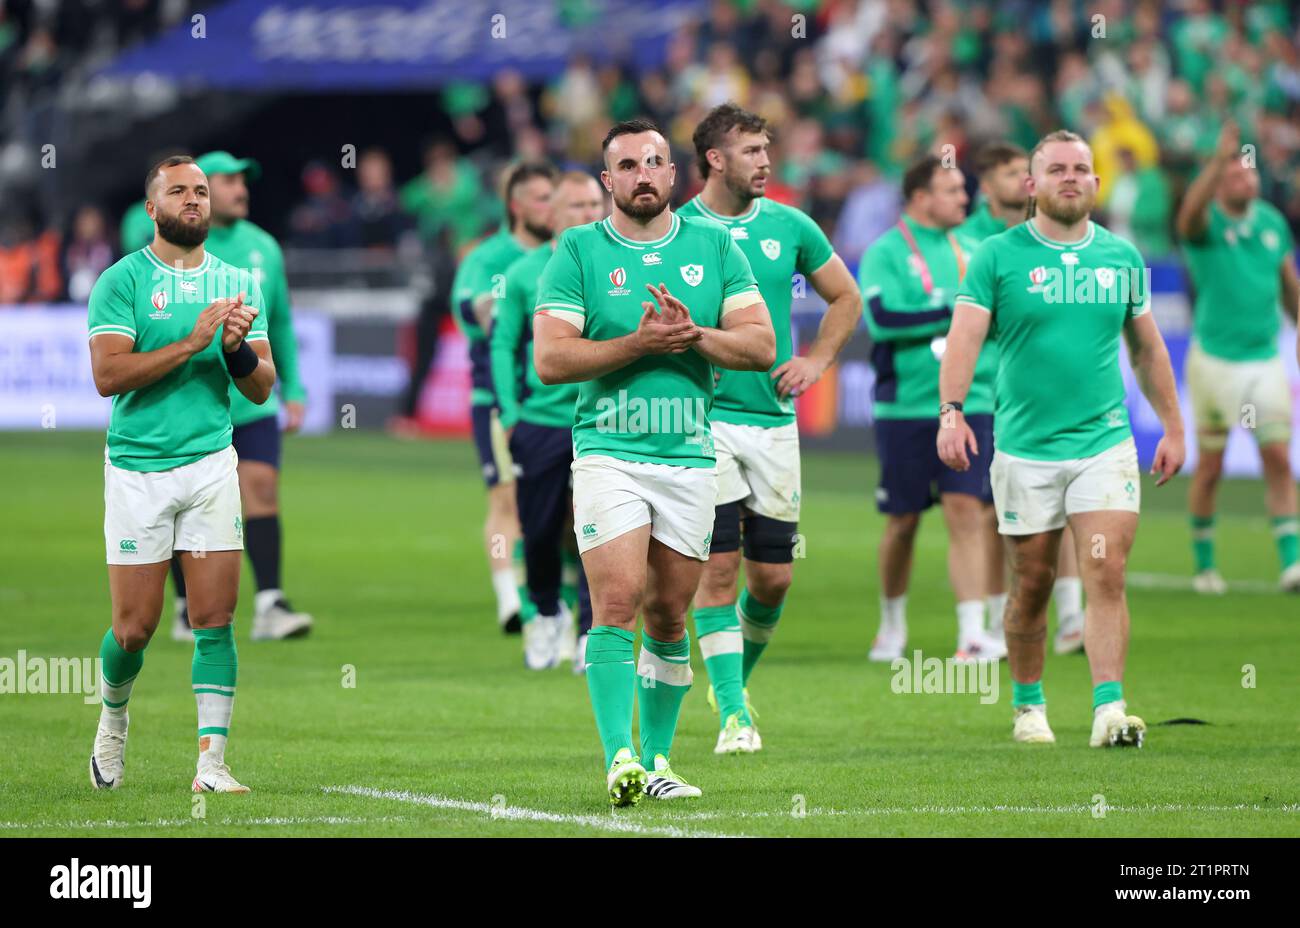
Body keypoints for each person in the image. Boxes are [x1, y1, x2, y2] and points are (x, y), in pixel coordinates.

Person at [532, 119, 774, 804]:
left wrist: (693, 334)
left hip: (691, 456)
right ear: (608, 180)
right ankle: (619, 757)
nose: (644, 174)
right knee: (616, 601)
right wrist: (638, 344)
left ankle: (660, 759)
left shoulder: (715, 245)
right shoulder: (578, 249)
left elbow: (760, 346)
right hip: (608, 451)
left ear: (675, 175)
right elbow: (551, 359)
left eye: (656, 163)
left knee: (670, 615)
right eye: (629, 165)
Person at [939, 130, 1184, 748]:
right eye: (1056, 170)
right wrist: (952, 411)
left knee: (1105, 572)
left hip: (1104, 444)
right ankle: (1028, 704)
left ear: (1097, 185)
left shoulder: (1122, 258)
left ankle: (1108, 709)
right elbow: (964, 337)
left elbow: (1148, 347)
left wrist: (1175, 425)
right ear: (1032, 185)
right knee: (1033, 581)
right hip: (1024, 449)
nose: (1070, 177)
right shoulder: (997, 256)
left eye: (1081, 168)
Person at [87, 155, 275, 793]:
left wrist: (233, 348)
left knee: (214, 617)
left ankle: (212, 765)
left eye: (200, 191)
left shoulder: (235, 281)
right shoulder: (121, 281)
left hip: (211, 464)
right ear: (152, 208)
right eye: (179, 192)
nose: (194, 200)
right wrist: (193, 344)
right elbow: (108, 376)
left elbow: (260, 388)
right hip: (138, 469)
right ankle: (113, 718)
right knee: (133, 628)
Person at [678, 103, 861, 753]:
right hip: (704, 422)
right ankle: (734, 714)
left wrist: (817, 359)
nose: (766, 160)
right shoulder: (676, 231)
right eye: (751, 150)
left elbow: (846, 295)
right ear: (715, 160)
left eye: (766, 148)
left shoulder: (790, 225)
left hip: (774, 423)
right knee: (718, 570)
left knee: (774, 580)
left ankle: (732, 682)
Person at [860, 155, 1007, 665]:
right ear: (921, 197)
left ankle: (971, 634)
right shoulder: (885, 251)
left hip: (971, 404)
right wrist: (952, 311)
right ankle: (891, 624)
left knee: (967, 511)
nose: (965, 200)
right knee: (902, 521)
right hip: (905, 406)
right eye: (952, 190)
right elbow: (882, 319)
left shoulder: (975, 248)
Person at [169, 151, 312, 642]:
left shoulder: (263, 248)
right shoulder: (179, 247)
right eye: (226, 181)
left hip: (253, 400)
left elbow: (283, 320)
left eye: (242, 181)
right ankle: (186, 603)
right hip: (195, 399)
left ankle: (270, 602)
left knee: (262, 490)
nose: (240, 189)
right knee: (184, 502)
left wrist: (295, 387)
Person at [960, 141, 1087, 655]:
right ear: (988, 185)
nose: (1022, 181)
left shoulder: (1053, 237)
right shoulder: (968, 243)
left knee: (1074, 504)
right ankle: (996, 618)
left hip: (1048, 395)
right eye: (1012, 173)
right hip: (986, 394)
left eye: (1024, 172)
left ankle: (1075, 616)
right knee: (992, 513)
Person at [1176, 121, 1300, 594]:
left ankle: (1291, 563)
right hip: (1213, 362)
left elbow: (1289, 287)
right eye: (1235, 174)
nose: (1247, 180)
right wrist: (1216, 159)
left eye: (1250, 172)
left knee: (1277, 455)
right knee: (1211, 468)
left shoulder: (1271, 222)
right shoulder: (1204, 225)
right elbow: (1187, 214)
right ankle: (1204, 564)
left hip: (1264, 358)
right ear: (1218, 182)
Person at [490, 171, 606, 670]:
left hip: (599, 419)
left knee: (593, 529)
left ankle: (588, 632)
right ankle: (544, 611)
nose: (587, 213)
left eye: (593, 204)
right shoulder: (523, 274)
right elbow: (501, 343)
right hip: (540, 420)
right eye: (576, 205)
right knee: (537, 531)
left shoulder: (613, 264)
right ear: (553, 214)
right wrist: (511, 414)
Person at [451, 162, 556, 633]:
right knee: (506, 498)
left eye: (553, 197)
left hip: (557, 400)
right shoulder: (490, 258)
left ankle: (556, 595)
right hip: (497, 398)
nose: (549, 206)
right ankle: (509, 597)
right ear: (516, 206)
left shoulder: (565, 255)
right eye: (539, 198)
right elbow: (475, 310)